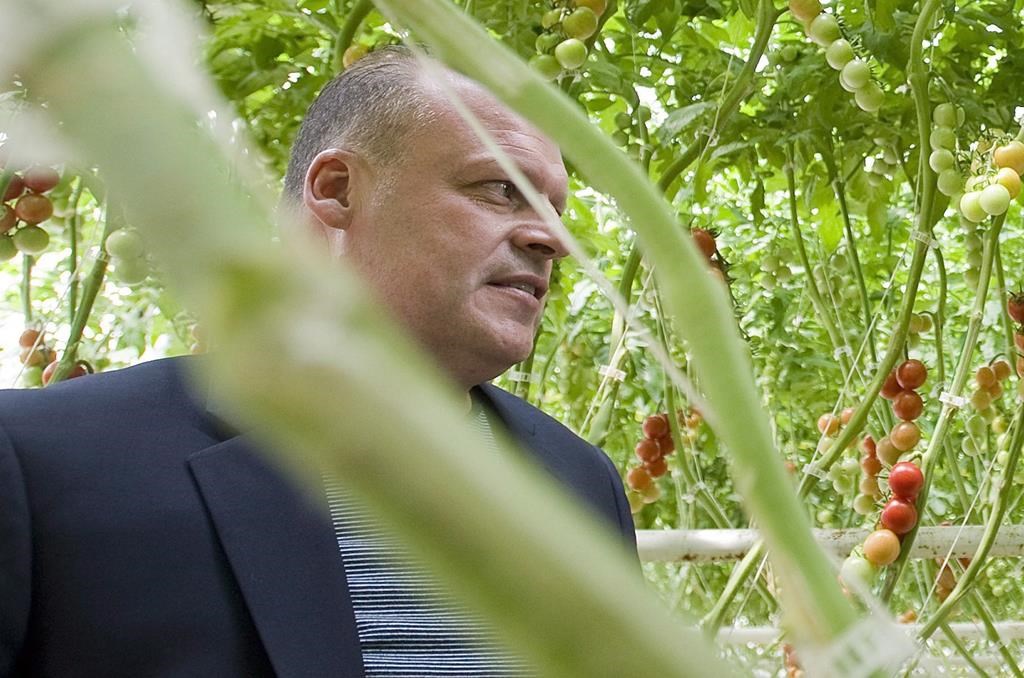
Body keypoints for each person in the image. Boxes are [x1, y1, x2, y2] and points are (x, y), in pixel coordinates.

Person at [0, 47, 636, 677]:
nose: (553, 239)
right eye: (502, 190)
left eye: (557, 209)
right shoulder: (40, 461)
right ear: (336, 190)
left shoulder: (581, 485)